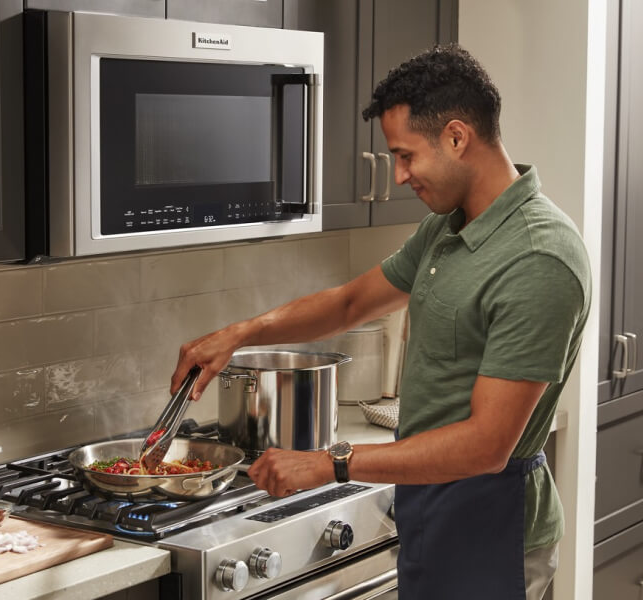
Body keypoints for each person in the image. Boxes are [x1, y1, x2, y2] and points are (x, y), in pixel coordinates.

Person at [169, 44, 591, 600]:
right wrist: (237, 335)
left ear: (457, 137)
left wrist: (332, 463)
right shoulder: (449, 228)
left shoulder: (539, 258)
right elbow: (348, 304)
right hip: (432, 510)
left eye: (406, 155)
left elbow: (487, 445)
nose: (397, 176)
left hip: (493, 527)